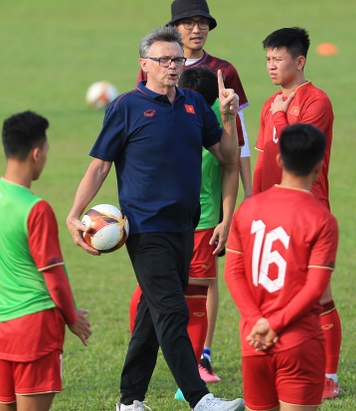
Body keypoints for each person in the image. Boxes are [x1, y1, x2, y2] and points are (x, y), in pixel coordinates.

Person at [66, 26, 243, 411]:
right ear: (144, 65)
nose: (173, 66)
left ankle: (129, 401)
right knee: (173, 311)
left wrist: (228, 118)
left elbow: (227, 156)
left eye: (177, 59)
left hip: (185, 226)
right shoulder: (126, 106)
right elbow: (99, 167)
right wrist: (74, 214)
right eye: (164, 60)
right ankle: (200, 399)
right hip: (145, 230)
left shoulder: (195, 104)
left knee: (151, 314)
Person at [137, 0, 252, 381]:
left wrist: (246, 198)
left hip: (207, 188)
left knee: (204, 279)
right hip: (165, 201)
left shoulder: (224, 70)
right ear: (174, 29)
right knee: (165, 282)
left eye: (203, 22)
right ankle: (170, 354)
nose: (196, 29)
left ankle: (203, 353)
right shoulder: (156, 64)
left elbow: (237, 140)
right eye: (188, 22)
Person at [251, 26, 341, 400]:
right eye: (267, 59)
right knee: (274, 293)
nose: (271, 66)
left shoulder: (317, 101)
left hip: (307, 208)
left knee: (319, 295)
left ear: (300, 61)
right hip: (271, 211)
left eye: (278, 59)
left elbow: (298, 148)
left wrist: (281, 117)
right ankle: (283, 363)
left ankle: (329, 375)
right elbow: (263, 159)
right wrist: (253, 203)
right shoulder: (270, 104)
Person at [0, 111, 92, 411]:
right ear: (36, 153)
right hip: (35, 328)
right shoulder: (36, 209)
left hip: (2, 327)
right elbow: (54, 277)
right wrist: (72, 318)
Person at [225, 123, 338, 411]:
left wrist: (256, 321)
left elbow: (233, 273)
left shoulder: (247, 210)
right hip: (298, 342)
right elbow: (315, 288)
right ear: (319, 166)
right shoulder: (321, 219)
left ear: (278, 160)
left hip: (254, 340)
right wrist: (274, 325)